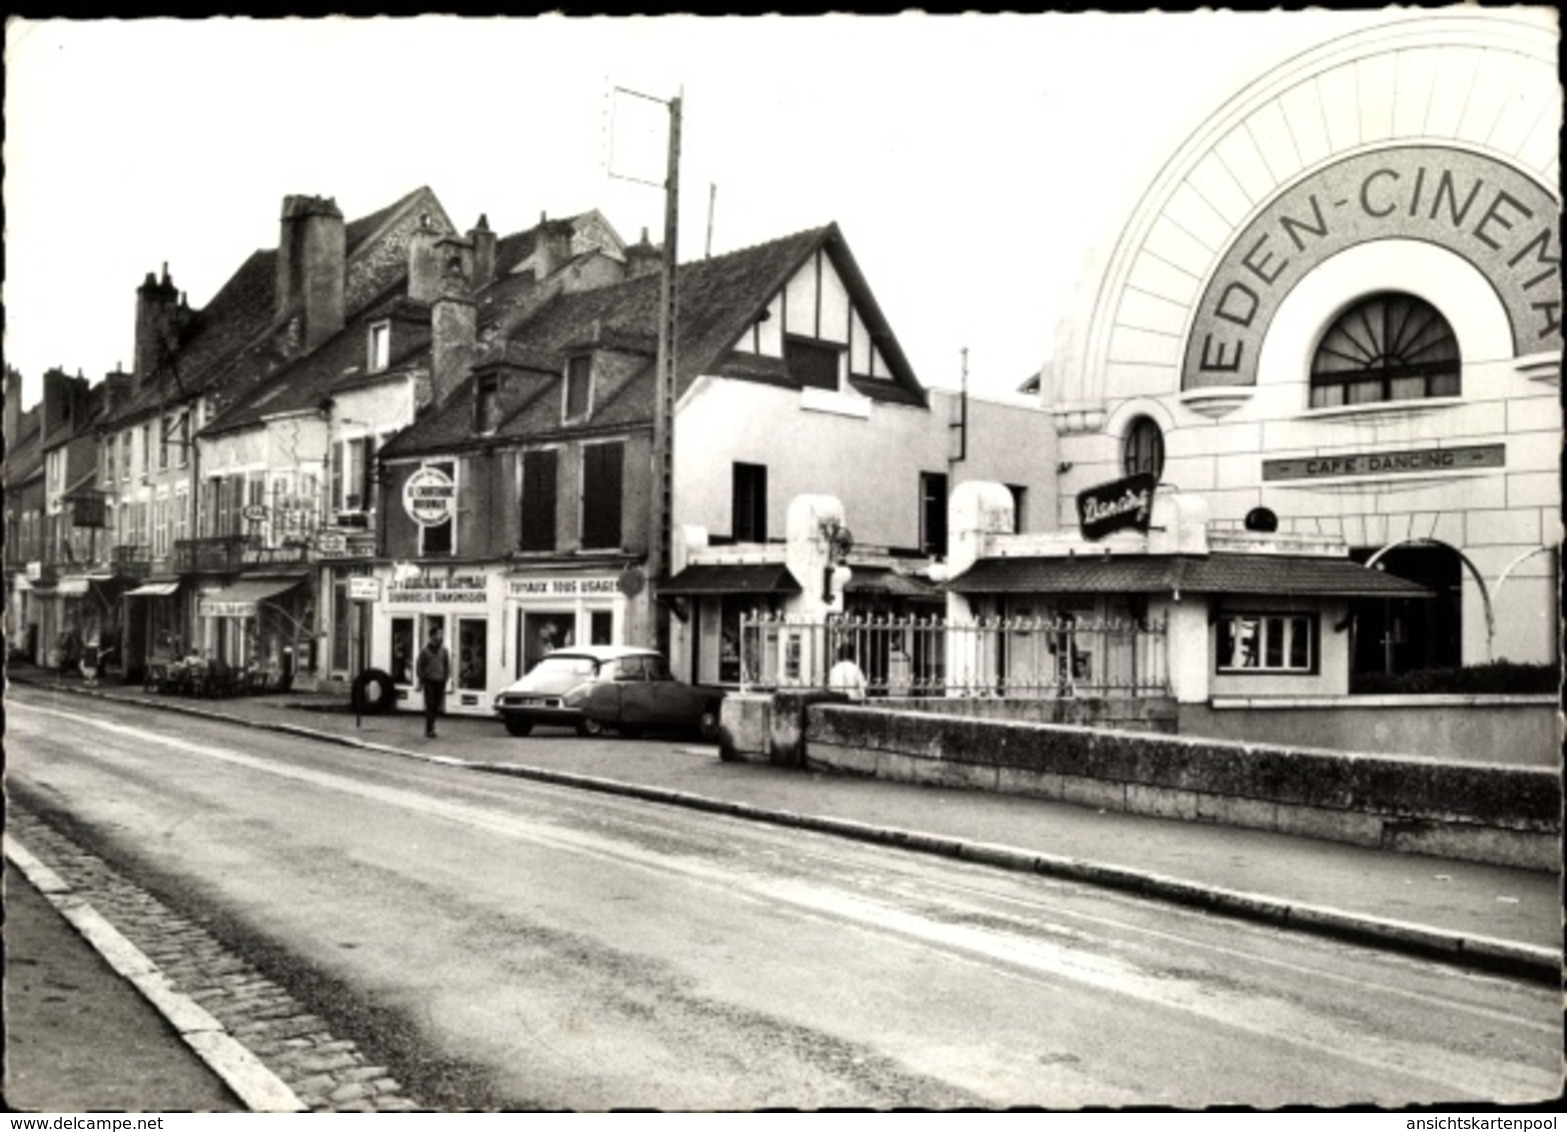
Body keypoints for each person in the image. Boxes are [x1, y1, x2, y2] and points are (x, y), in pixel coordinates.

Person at [416, 625, 452, 738]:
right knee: (430, 704)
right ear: (432, 636)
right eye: (438, 634)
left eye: (441, 634)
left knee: (437, 705)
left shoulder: (444, 650)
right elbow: (419, 666)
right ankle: (429, 729)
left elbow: (446, 665)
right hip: (429, 681)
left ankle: (432, 725)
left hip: (440, 681)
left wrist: (445, 678)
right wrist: (422, 678)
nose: (440, 636)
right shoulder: (425, 651)